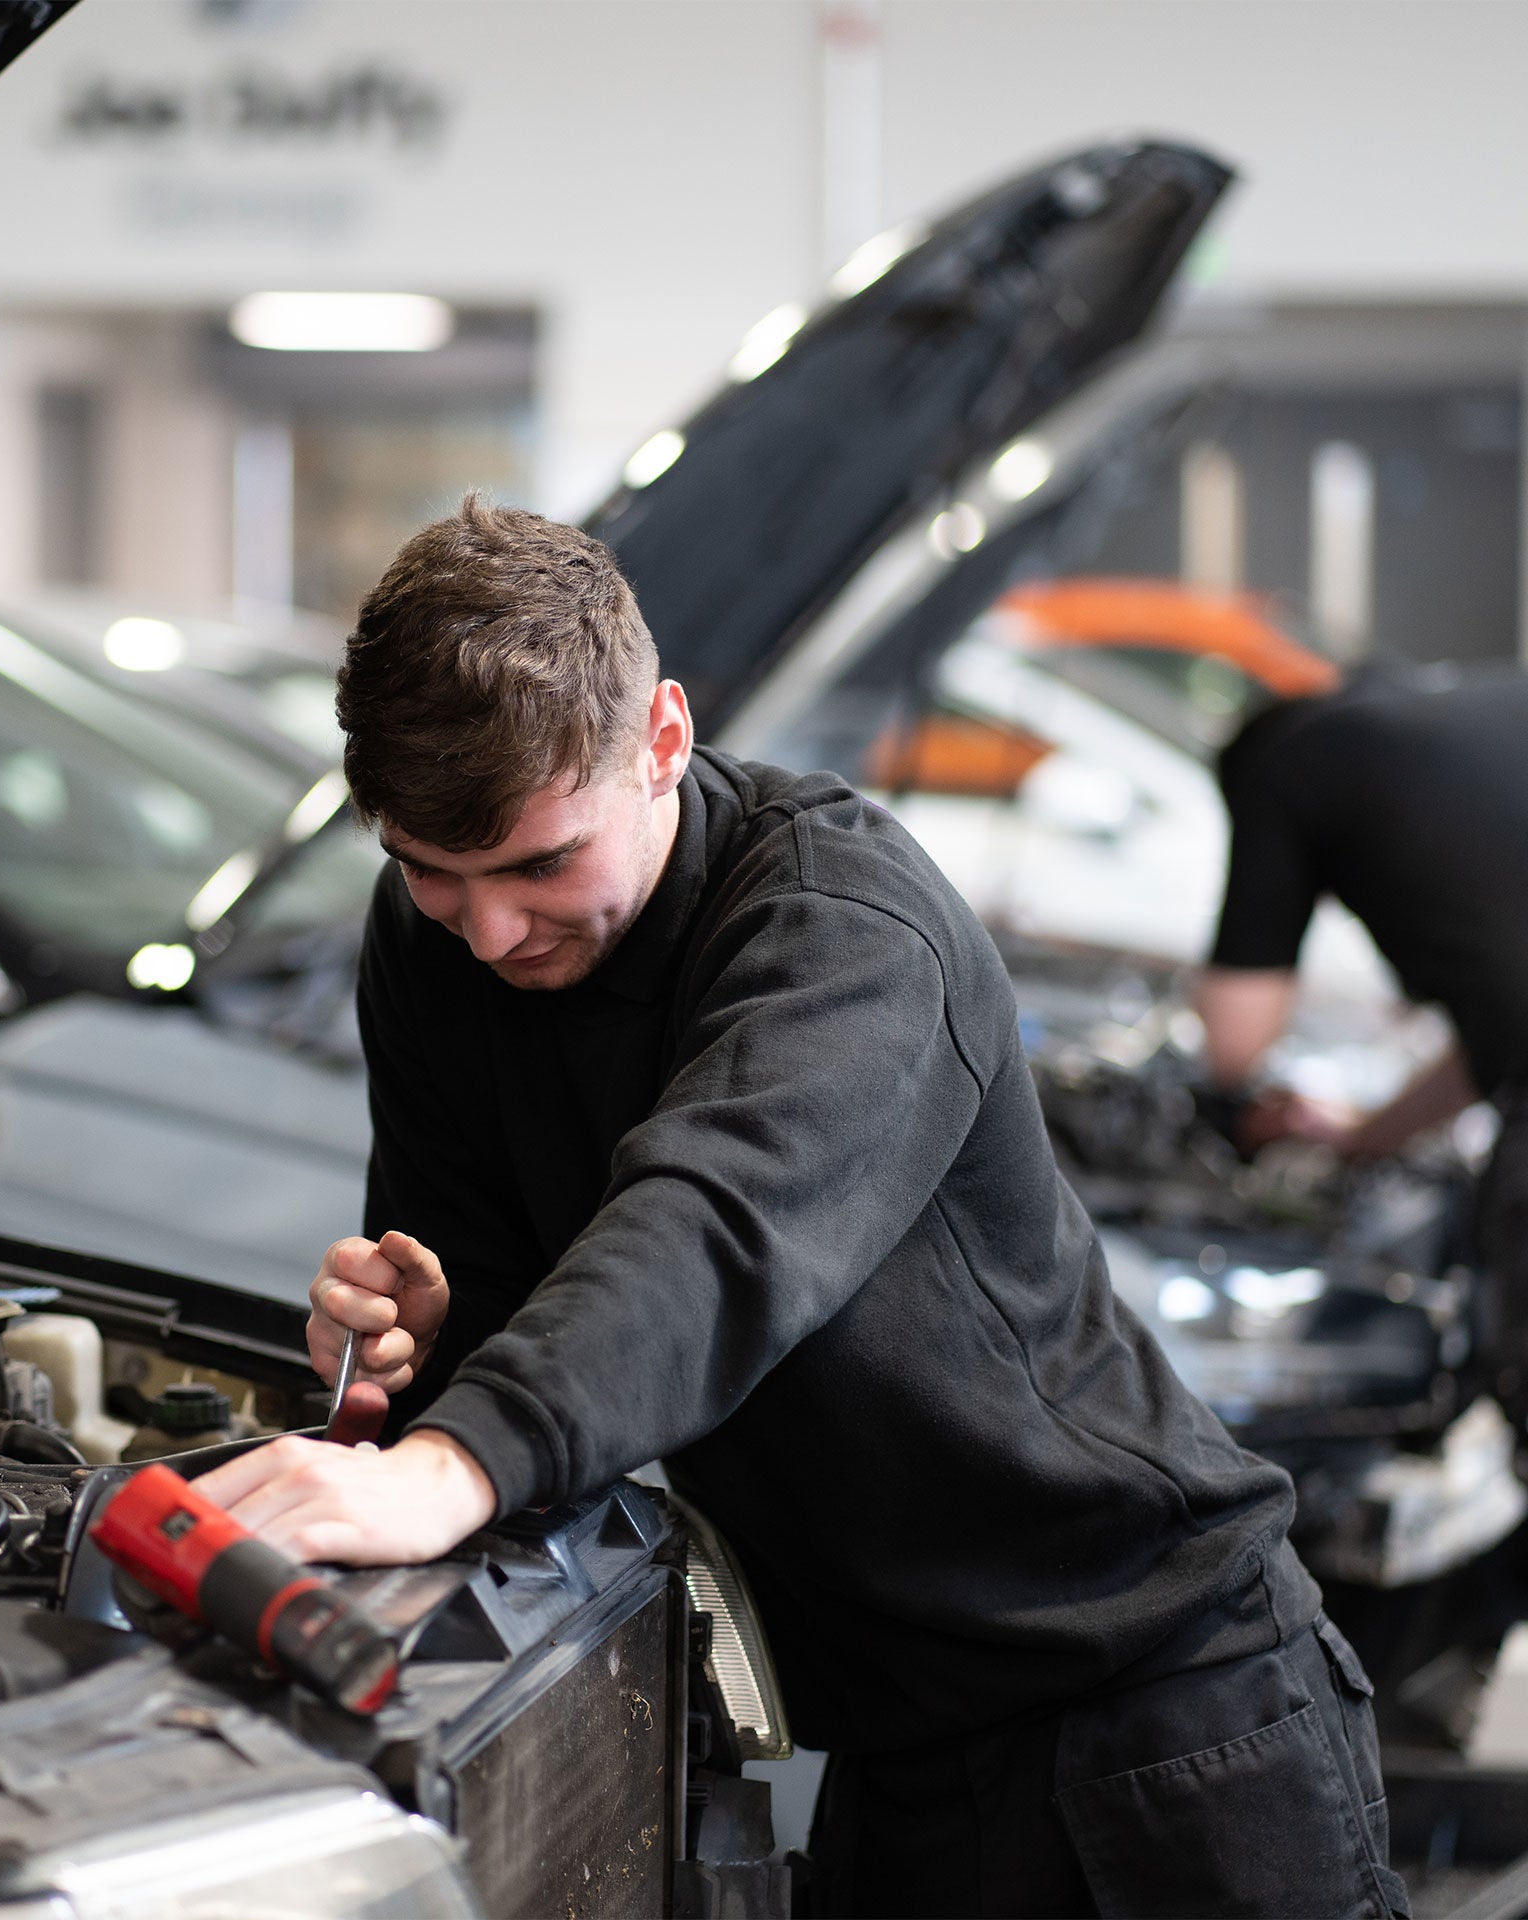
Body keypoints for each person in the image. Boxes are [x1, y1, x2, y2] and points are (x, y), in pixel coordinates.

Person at [194, 498, 1404, 1919]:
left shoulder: (842, 923)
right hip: (864, 1737)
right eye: (430, 870)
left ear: (661, 742)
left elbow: (716, 1230)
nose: (492, 930)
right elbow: (534, 1337)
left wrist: (447, 1463)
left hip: (1152, 1709)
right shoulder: (435, 945)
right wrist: (438, 1337)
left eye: (538, 865)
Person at [1193, 659, 1528, 1408]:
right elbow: (1497, 1047)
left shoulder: (1284, 762)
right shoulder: (1478, 707)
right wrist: (1361, 1136)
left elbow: (1234, 1045)